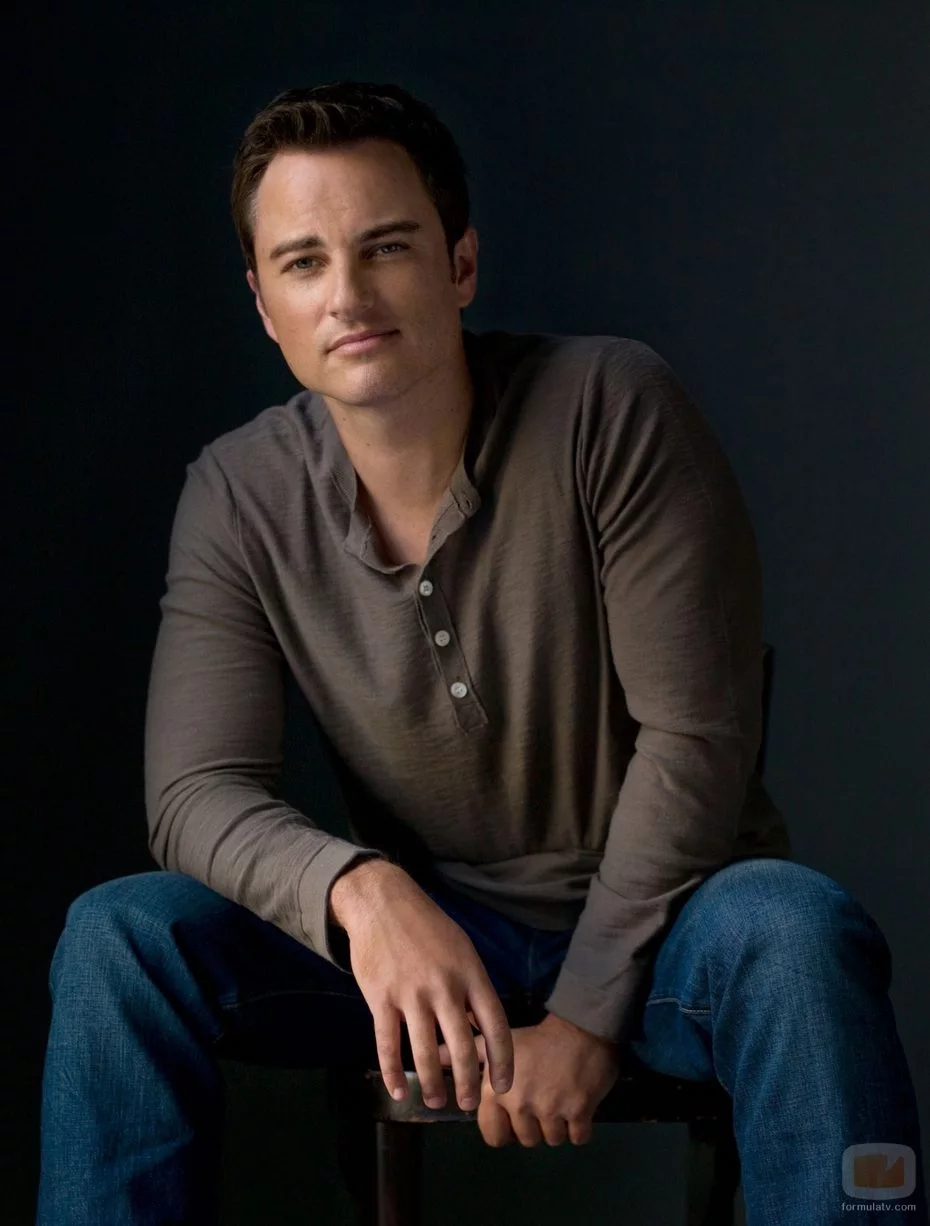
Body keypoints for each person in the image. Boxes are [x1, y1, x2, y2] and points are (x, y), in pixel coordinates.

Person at [37, 81, 926, 1226]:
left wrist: (588, 1013)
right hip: (427, 946)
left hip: (676, 928)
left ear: (459, 263)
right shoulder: (237, 491)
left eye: (386, 246)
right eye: (304, 262)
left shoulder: (611, 404)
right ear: (263, 302)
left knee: (797, 928)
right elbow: (195, 791)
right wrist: (364, 891)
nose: (348, 295)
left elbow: (697, 736)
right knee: (121, 936)